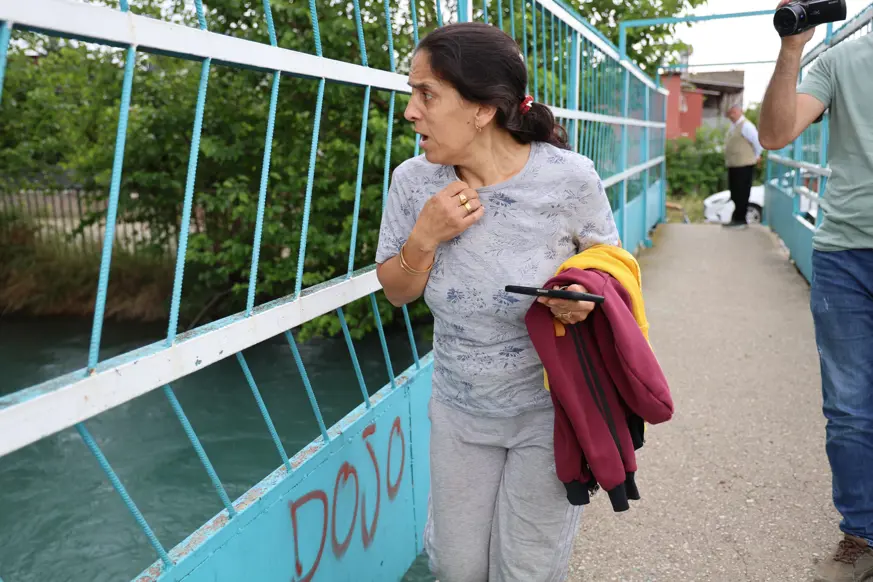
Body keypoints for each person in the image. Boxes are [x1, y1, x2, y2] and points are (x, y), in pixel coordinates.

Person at [374, 22, 620, 582]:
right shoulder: (413, 182)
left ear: (483, 108)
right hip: (458, 409)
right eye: (412, 93)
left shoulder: (569, 178)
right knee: (456, 568)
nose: (410, 111)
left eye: (426, 94)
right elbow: (396, 290)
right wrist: (425, 237)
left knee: (526, 570)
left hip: (551, 409)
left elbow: (610, 269)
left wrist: (581, 297)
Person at [758, 1, 873, 580]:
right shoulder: (842, 58)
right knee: (849, 410)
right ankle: (861, 537)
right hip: (845, 254)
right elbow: (775, 134)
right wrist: (792, 50)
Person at [723, 103, 763, 229]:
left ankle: (740, 220)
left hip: (744, 164)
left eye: (733, 112)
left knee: (742, 192)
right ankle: (736, 218)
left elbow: (757, 141)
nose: (731, 115)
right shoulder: (733, 126)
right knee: (735, 192)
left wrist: (757, 156)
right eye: (730, 113)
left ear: (740, 112)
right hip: (734, 165)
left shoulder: (746, 126)